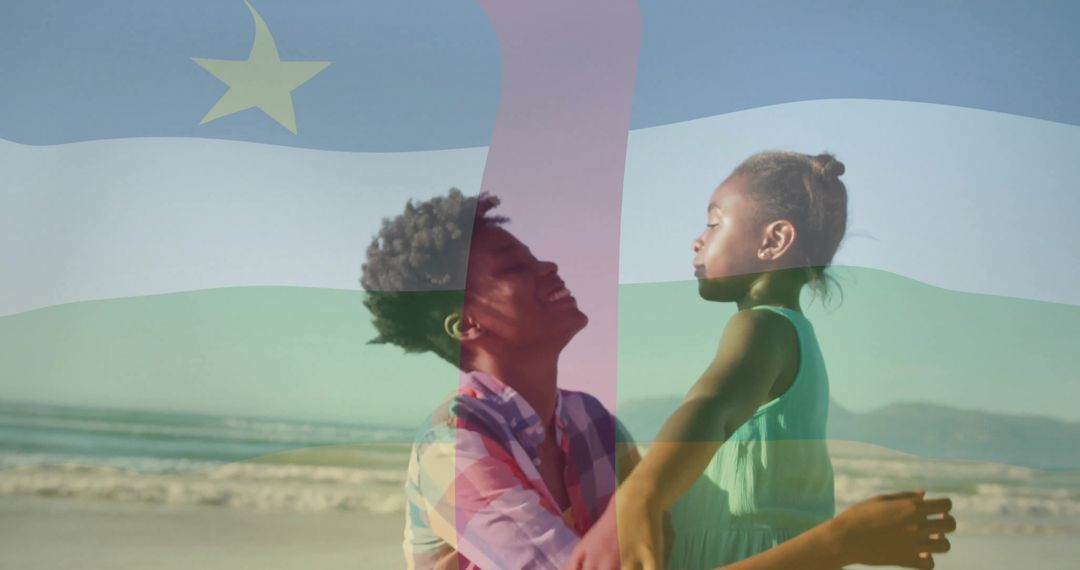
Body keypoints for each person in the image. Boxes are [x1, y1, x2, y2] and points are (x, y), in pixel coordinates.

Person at [360, 189, 955, 569]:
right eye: (518, 267)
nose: (550, 266)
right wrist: (836, 544)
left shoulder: (592, 425)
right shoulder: (455, 448)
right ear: (467, 324)